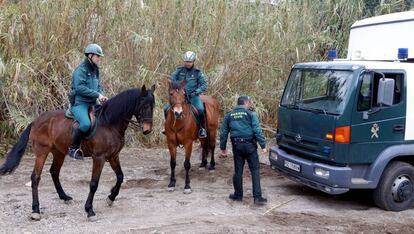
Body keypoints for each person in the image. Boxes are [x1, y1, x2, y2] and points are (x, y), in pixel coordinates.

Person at [219, 95, 268, 205]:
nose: (250, 104)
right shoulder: (251, 114)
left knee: (238, 171)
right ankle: (257, 197)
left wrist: (223, 148)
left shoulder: (229, 115)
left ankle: (238, 195)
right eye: (249, 102)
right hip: (250, 145)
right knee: (254, 170)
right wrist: (263, 145)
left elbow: (223, 133)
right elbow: (257, 130)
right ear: (246, 103)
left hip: (237, 146)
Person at [68, 43, 108, 160]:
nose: (99, 58)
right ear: (90, 55)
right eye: (97, 56)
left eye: (99, 56)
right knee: (85, 124)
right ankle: (73, 148)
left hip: (92, 103)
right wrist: (97, 94)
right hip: (80, 103)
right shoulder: (80, 70)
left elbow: (98, 85)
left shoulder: (95, 70)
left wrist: (101, 95)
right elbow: (79, 88)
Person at [163, 51, 208, 138]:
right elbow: (172, 79)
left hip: (193, 96)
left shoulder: (197, 72)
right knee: (165, 108)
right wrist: (177, 87)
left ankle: (202, 129)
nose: (188, 63)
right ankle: (167, 127)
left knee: (200, 110)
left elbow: (204, 85)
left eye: (189, 62)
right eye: (186, 61)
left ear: (193, 61)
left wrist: (196, 92)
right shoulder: (179, 70)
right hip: (179, 97)